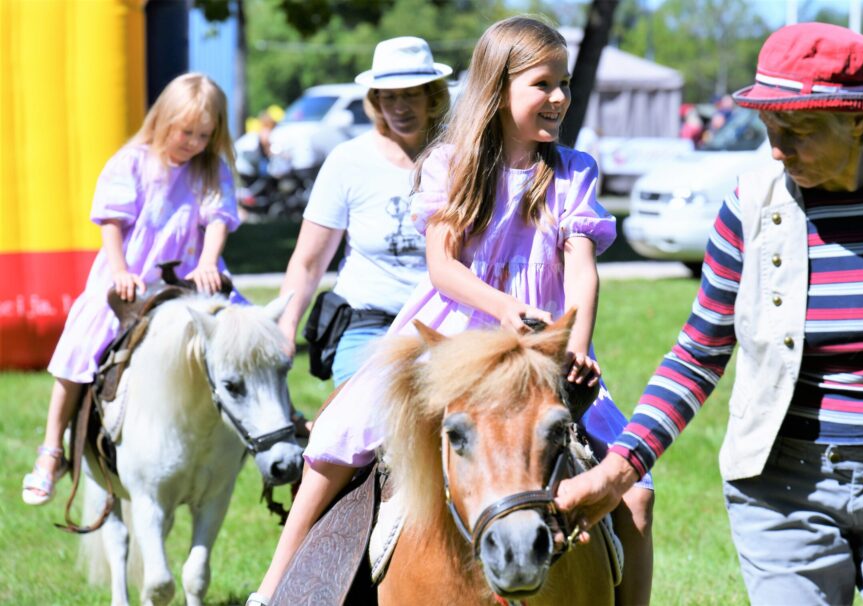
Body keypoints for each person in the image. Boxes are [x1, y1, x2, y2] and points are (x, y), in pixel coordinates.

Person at [556, 22, 863, 605]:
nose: (777, 149)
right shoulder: (748, 206)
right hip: (781, 493)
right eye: (769, 127)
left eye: (798, 130)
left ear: (858, 119)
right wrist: (617, 470)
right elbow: (697, 356)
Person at [248, 17, 654, 606]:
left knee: (635, 489)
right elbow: (442, 266)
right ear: (498, 86)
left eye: (563, 83)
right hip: (452, 336)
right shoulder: (452, 165)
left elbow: (581, 269)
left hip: (541, 350)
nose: (560, 97)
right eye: (543, 84)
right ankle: (275, 589)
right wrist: (502, 306)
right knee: (336, 444)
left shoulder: (574, 172)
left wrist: (574, 347)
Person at [22, 73, 241, 506]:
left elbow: (217, 218)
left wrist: (207, 262)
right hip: (133, 276)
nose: (194, 142)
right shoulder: (131, 162)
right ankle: (51, 450)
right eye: (186, 132)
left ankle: (275, 428)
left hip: (187, 275)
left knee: (246, 332)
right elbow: (112, 223)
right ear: (162, 120)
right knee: (81, 344)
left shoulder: (210, 168)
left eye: (204, 134)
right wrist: (120, 271)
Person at [274, 36, 451, 386]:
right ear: (375, 100)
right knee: (360, 425)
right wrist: (285, 328)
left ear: (432, 96)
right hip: (366, 323)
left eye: (411, 94)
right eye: (389, 96)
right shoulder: (348, 160)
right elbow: (308, 262)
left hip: (442, 323)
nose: (399, 107)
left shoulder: (459, 157)